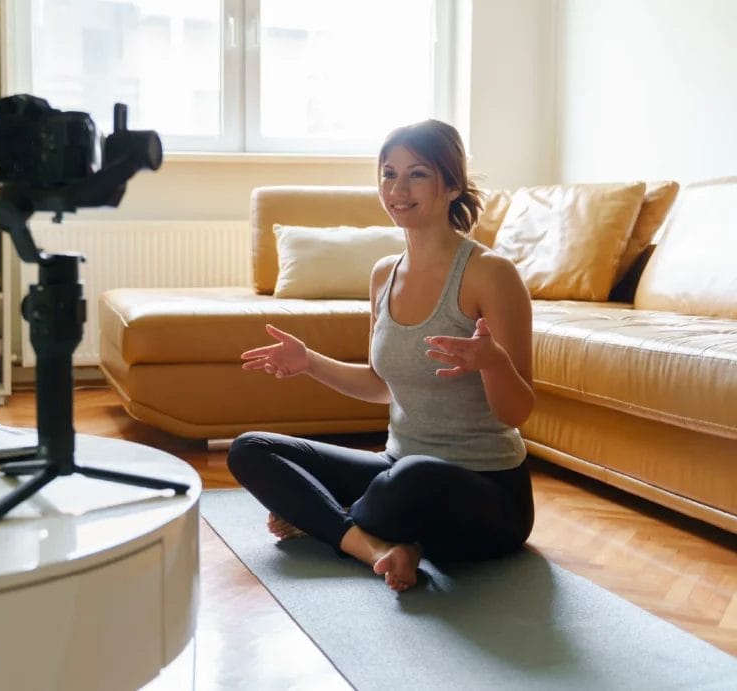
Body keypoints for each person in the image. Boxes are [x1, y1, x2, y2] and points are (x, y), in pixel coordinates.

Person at [227, 119, 535, 592]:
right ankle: (376, 546)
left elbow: (519, 412)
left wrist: (491, 363)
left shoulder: (490, 274)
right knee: (251, 449)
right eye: (388, 173)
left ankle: (329, 521)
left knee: (411, 478)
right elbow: (379, 384)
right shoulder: (383, 274)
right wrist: (309, 361)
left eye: (417, 174)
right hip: (397, 466)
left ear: (451, 185)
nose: (398, 188)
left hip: (485, 490)